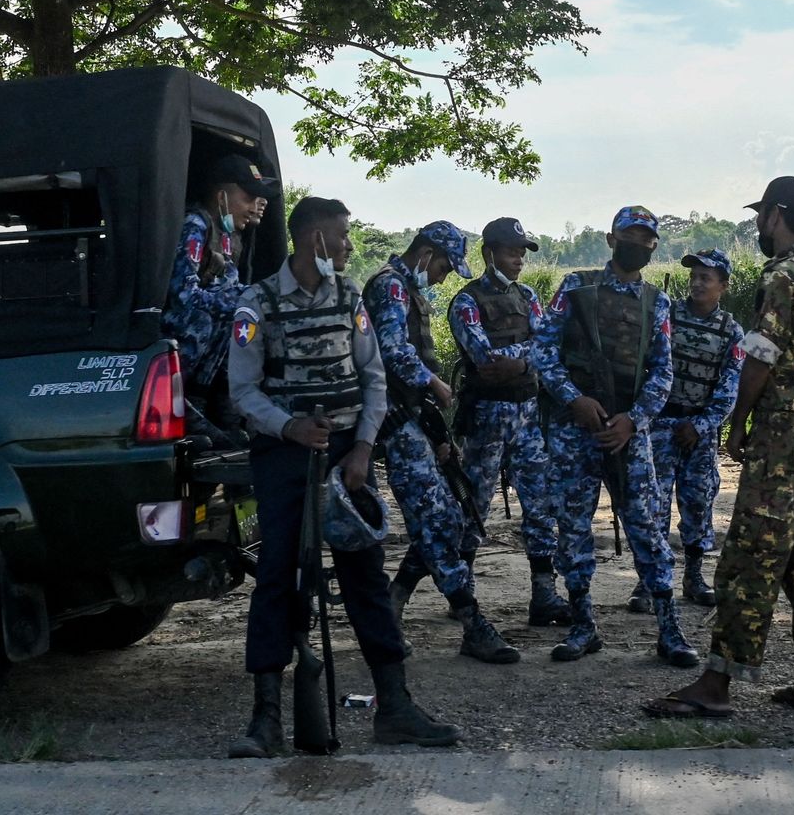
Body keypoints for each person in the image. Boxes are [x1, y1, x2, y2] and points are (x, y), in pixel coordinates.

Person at [226, 196, 459, 756]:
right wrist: (288, 427)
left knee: (365, 577)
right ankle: (265, 720)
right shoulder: (255, 304)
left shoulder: (350, 295)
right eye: (343, 237)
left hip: (346, 460)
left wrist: (362, 449)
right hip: (285, 459)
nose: (351, 247)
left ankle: (396, 708)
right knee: (277, 578)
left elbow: (373, 377)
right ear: (314, 241)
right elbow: (243, 392)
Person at [647, 176, 794, 720]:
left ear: (778, 215)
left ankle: (716, 684)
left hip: (783, 436)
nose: (758, 223)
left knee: (748, 557)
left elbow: (759, 355)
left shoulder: (782, 277)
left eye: (762, 214)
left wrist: (739, 423)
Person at [530, 205, 699, 667]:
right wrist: (573, 400)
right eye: (631, 235)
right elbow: (542, 351)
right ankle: (583, 626)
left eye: (647, 238)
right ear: (611, 238)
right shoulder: (576, 288)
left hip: (629, 434)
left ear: (654, 245)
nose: (639, 244)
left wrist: (634, 420)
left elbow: (664, 370)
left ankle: (669, 630)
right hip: (574, 432)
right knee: (574, 530)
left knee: (647, 529)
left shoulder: (656, 302)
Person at [373, 222, 520, 665]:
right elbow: (392, 350)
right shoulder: (390, 287)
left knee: (444, 517)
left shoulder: (405, 287)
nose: (440, 277)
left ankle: (393, 603)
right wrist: (433, 382)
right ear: (425, 252)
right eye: (441, 266)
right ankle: (471, 620)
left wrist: (436, 430)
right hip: (394, 422)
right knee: (438, 519)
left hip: (413, 421)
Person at [446, 217, 571, 627]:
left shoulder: (529, 296)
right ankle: (462, 596)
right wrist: (524, 358)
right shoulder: (466, 302)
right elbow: (484, 361)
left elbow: (546, 343)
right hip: (486, 419)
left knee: (540, 504)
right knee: (473, 508)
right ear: (489, 253)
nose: (518, 260)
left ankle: (545, 595)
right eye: (511, 252)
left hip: (527, 417)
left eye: (521, 252)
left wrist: (517, 361)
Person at [628, 249, 744, 611]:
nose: (697, 282)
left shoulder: (731, 331)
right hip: (661, 426)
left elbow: (730, 388)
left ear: (722, 286)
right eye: (694, 276)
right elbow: (646, 367)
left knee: (697, 505)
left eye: (706, 277)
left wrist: (701, 425)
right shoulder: (667, 316)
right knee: (655, 506)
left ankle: (693, 577)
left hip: (701, 433)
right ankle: (649, 583)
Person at [164, 153, 276, 445]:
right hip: (180, 323)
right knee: (209, 318)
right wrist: (238, 302)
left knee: (244, 323)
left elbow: (232, 286)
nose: (256, 206)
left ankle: (215, 407)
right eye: (249, 197)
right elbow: (183, 295)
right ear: (222, 195)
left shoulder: (229, 236)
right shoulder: (196, 225)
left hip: (211, 322)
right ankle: (185, 407)